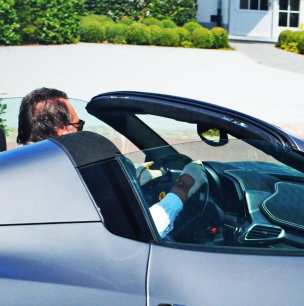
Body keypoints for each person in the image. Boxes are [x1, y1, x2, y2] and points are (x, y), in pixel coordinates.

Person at [17, 87, 206, 238]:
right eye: (78, 125)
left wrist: (133, 179)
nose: (80, 132)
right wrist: (183, 187)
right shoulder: (62, 180)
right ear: (62, 132)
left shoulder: (16, 167)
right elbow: (144, 233)